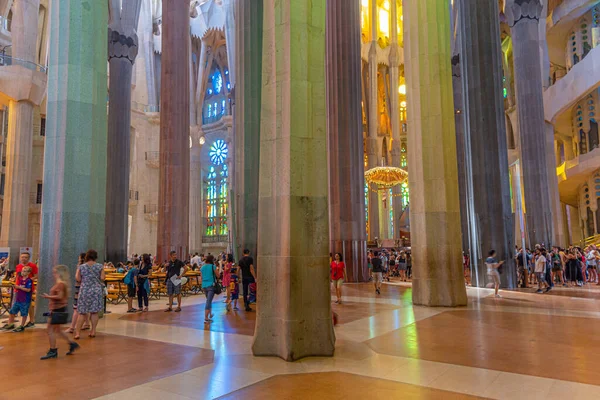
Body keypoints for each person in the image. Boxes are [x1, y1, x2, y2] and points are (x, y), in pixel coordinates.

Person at [40, 265, 80, 360]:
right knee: (57, 330)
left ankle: (53, 350)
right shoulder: (62, 283)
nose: (53, 274)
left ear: (59, 273)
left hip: (57, 309)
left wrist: (48, 297)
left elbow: (60, 296)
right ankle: (72, 343)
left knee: (50, 330)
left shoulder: (61, 284)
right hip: (58, 308)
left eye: (55, 272)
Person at [74, 249, 105, 339]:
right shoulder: (100, 266)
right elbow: (103, 277)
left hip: (85, 290)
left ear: (87, 256)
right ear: (95, 257)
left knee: (82, 312)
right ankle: (93, 331)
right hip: (96, 290)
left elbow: (78, 278)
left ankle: (77, 333)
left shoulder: (81, 267)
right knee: (94, 312)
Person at [1, 266, 33, 332]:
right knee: (12, 311)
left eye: (25, 271)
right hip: (18, 299)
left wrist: (19, 287)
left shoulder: (29, 280)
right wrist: (15, 287)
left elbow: (28, 290)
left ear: (28, 272)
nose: (23, 272)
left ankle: (22, 326)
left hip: (25, 300)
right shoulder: (20, 279)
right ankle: (11, 324)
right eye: (22, 271)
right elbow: (18, 287)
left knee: (24, 313)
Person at [67, 253, 90, 333]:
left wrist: (78, 269)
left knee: (76, 308)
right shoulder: (89, 267)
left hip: (80, 288)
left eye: (79, 258)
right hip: (86, 289)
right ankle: (87, 324)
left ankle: (72, 327)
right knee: (84, 308)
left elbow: (78, 278)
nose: (78, 259)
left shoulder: (81, 267)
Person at [15, 252, 38, 328]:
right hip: (18, 288)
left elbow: (36, 275)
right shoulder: (18, 266)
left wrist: (29, 280)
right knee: (17, 304)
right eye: (22, 257)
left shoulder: (32, 266)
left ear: (28, 258)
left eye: (25, 257)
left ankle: (31, 321)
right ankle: (12, 321)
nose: (23, 258)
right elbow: (18, 277)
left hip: (27, 289)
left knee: (28, 304)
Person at [200, 255, 218, 322]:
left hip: (204, 285)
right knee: (208, 301)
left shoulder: (202, 267)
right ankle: (206, 317)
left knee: (208, 300)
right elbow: (218, 275)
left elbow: (201, 278)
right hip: (211, 285)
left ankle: (210, 314)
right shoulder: (213, 267)